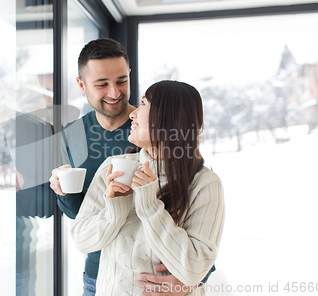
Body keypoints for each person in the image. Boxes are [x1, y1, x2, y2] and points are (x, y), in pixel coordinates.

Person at [49, 39, 215, 296]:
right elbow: (80, 216)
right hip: (101, 274)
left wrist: (192, 281)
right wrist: (63, 192)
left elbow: (199, 222)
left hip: (161, 282)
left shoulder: (153, 128)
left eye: (121, 81)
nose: (115, 93)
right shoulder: (73, 135)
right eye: (102, 84)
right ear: (81, 85)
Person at [70, 80, 225, 296]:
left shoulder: (205, 184)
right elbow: (81, 240)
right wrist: (114, 210)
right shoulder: (114, 167)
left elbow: (195, 269)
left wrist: (150, 206)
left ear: (168, 118)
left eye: (143, 104)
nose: (132, 114)